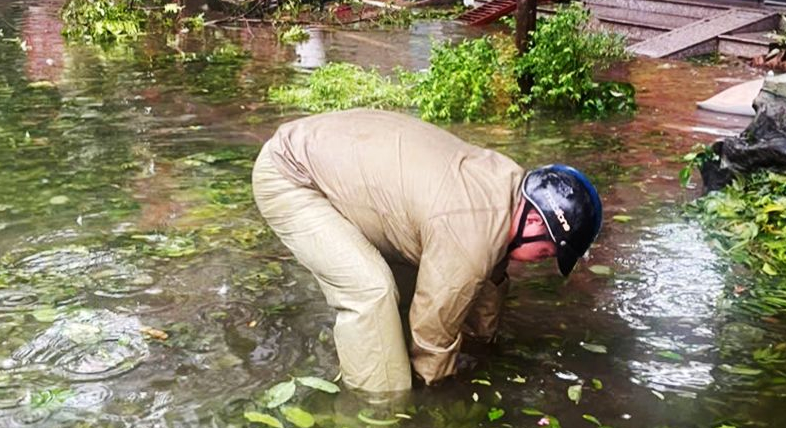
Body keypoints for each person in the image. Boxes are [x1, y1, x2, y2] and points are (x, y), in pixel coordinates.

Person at [252, 109, 602, 393]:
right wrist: (435, 401)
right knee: (372, 292)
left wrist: (484, 345)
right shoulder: (470, 227)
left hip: (329, 153)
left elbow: (483, 279)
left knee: (414, 281)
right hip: (290, 176)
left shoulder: (502, 184)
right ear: (535, 224)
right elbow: (433, 334)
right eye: (545, 254)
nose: (539, 262)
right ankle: (375, 416)